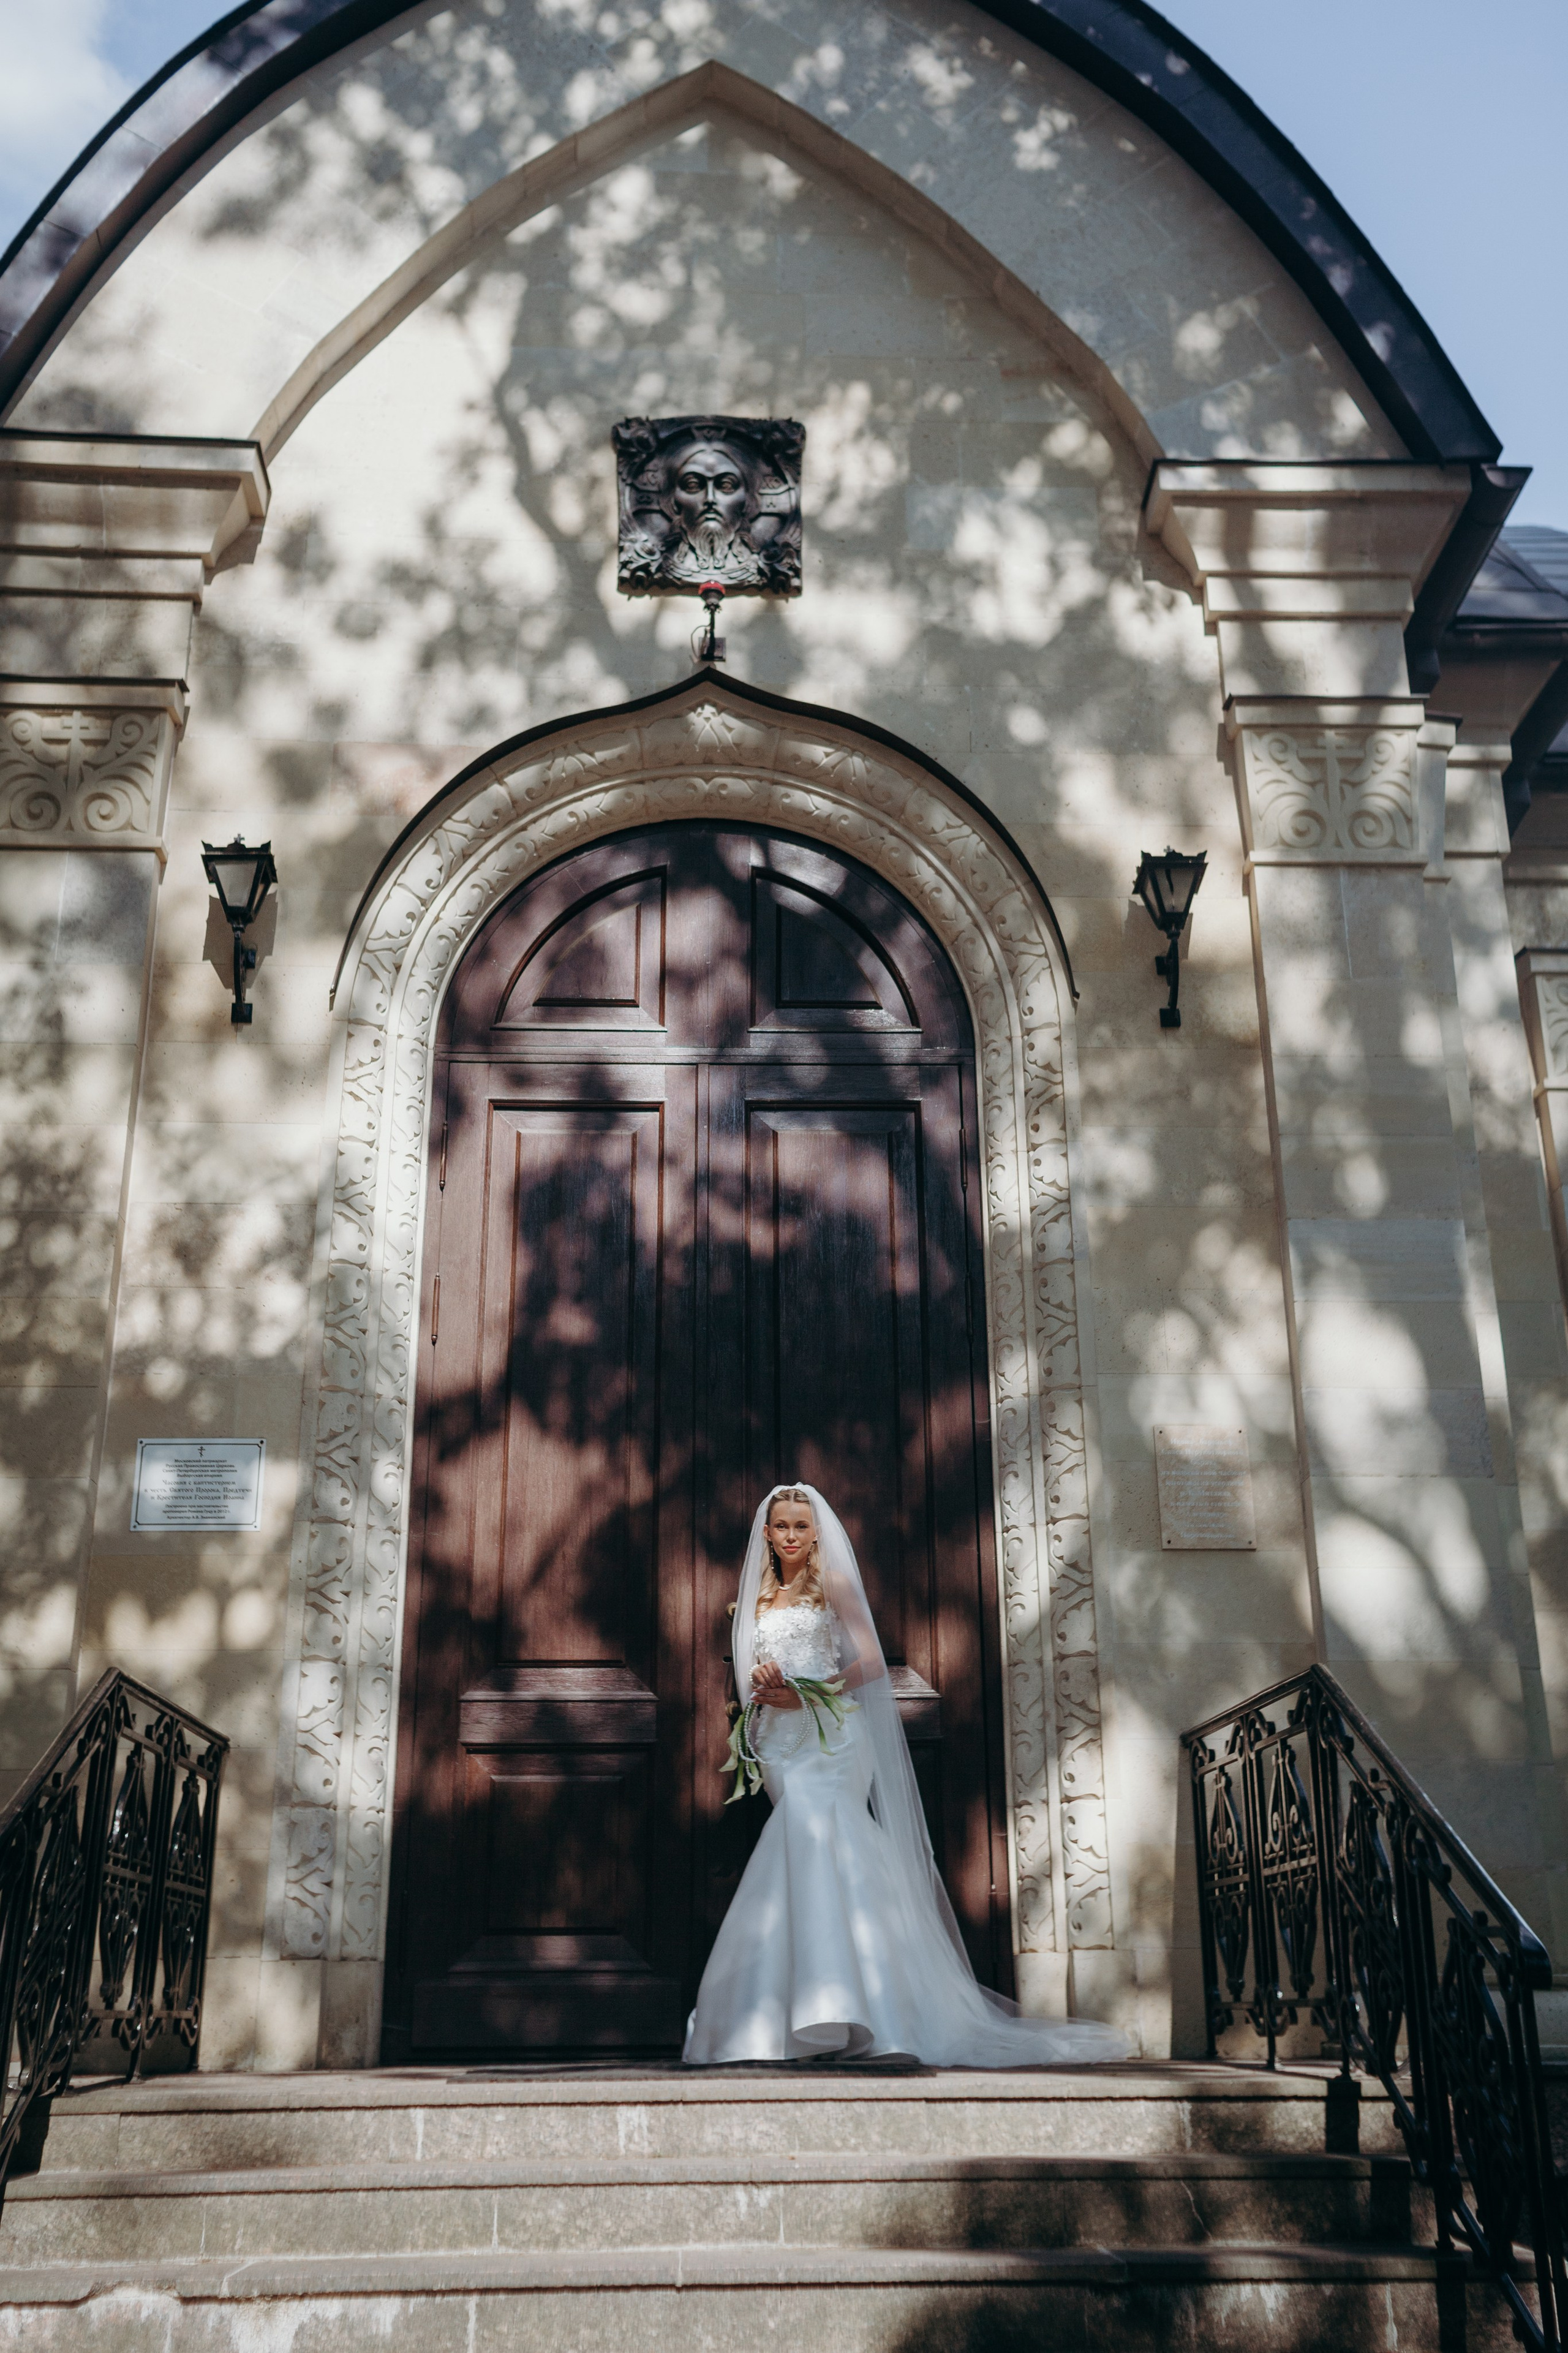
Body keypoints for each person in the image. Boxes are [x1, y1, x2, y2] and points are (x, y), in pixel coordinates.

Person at [683, 1482, 1128, 2066]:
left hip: (831, 1736)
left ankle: (867, 2016)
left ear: (816, 1533)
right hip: (780, 1744)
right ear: (767, 1533)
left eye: (801, 1525)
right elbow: (761, 1673)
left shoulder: (833, 1584)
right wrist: (766, 1690)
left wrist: (808, 1694)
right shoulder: (761, 1598)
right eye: (782, 1526)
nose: (791, 1535)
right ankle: (808, 2016)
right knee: (813, 1855)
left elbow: (870, 1662)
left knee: (818, 1836)